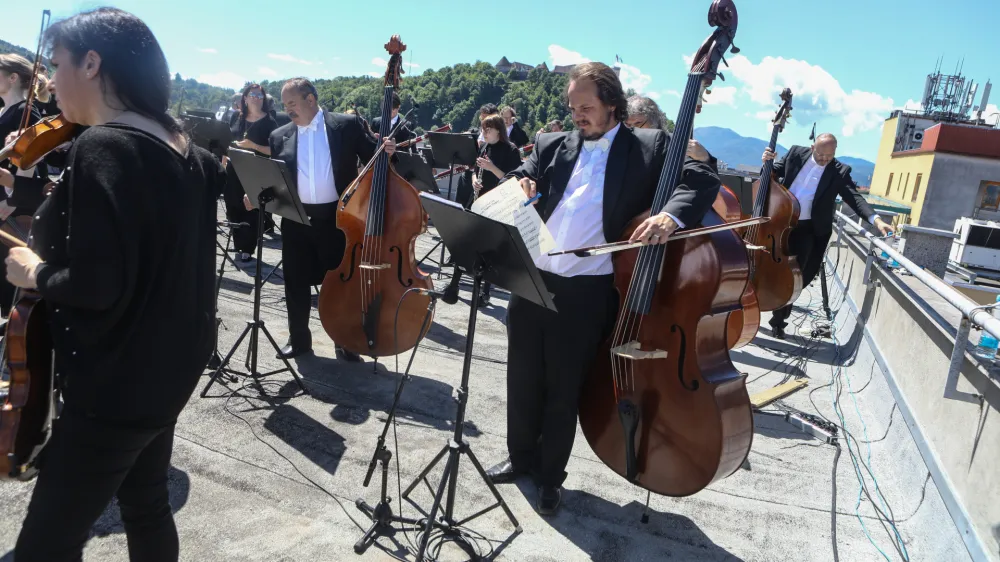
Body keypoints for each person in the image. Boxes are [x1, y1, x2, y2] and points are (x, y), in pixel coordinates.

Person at [6, 8, 225, 561]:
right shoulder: (193, 155)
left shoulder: (104, 146)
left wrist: (33, 272)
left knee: (45, 545)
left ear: (91, 63)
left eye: (56, 65)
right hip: (167, 371)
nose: (50, 83)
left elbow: (98, 284)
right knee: (146, 506)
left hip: (113, 384)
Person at [485, 62, 721, 516]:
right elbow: (521, 173)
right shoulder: (553, 144)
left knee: (564, 388)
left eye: (586, 107)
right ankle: (520, 458)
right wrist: (521, 183)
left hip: (587, 290)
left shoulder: (649, 146)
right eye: (573, 107)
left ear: (612, 103)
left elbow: (702, 179)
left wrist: (668, 216)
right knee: (523, 378)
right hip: (533, 279)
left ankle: (550, 477)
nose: (577, 115)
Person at [246, 77, 396, 360]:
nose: (287, 109)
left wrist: (388, 151)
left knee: (340, 284)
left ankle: (344, 340)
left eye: (292, 103)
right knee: (295, 282)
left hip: (337, 220)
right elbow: (278, 180)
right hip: (296, 219)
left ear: (311, 99)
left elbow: (377, 159)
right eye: (285, 104)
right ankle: (299, 340)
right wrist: (256, 193)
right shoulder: (278, 136)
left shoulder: (347, 125)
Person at [762, 134, 893, 338]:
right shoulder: (795, 153)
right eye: (821, 155)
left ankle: (778, 322)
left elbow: (854, 198)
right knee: (765, 264)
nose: (824, 160)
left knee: (795, 277)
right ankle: (752, 305)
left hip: (807, 229)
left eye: (829, 156)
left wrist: (876, 220)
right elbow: (771, 174)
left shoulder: (839, 171)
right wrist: (767, 163)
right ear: (812, 147)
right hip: (779, 221)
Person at [0, 54, 47, 317]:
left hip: (8, 207)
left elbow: (31, 161)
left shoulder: (26, 112)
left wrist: (11, 201)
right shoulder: (3, 110)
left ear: (13, 77)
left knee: (6, 280)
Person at [224, 82, 278, 260]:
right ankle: (238, 243)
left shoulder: (269, 121)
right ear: (245, 98)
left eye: (259, 96)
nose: (256, 98)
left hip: (256, 169)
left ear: (264, 100)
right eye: (252, 95)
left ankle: (247, 248)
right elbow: (229, 139)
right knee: (232, 204)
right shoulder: (236, 117)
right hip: (234, 167)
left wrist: (253, 146)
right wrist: (225, 156)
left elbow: (275, 150)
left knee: (250, 207)